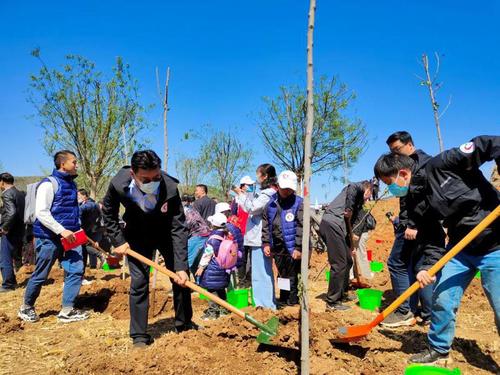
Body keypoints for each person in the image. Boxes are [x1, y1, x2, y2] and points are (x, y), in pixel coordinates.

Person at [374, 135, 499, 365]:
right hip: (460, 248)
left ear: (402, 174)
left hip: (495, 244)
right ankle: (439, 349)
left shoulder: (444, 163)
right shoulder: (416, 199)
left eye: (388, 182)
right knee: (442, 297)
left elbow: (488, 144)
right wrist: (426, 267)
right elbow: (431, 236)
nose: (389, 189)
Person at [102, 150, 194, 347]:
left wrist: (180, 265)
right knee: (139, 281)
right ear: (133, 174)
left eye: (156, 177)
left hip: (167, 233)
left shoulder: (169, 187)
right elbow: (108, 214)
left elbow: (178, 226)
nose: (152, 181)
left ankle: (184, 324)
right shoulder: (118, 184)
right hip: (137, 236)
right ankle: (139, 335)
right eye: (146, 179)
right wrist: (118, 240)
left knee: (181, 280)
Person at [19, 150, 89, 323]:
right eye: (74, 162)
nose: (76, 165)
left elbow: (71, 212)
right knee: (41, 274)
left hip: (71, 238)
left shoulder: (72, 185)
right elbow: (41, 213)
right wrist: (61, 230)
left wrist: (77, 230)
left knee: (76, 269)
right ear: (62, 164)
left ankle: (67, 309)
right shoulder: (49, 184)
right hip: (49, 237)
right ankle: (26, 307)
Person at [383, 131, 434, 327]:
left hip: (417, 226)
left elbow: (421, 199)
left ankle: (406, 310)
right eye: (392, 151)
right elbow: (405, 202)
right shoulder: (405, 166)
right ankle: (423, 313)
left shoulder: (422, 164)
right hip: (414, 224)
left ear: (410, 145)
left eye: (397, 149)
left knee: (397, 263)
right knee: (418, 267)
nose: (395, 155)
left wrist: (411, 225)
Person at [319, 180, 372, 311]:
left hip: (338, 228)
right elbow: (353, 186)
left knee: (348, 261)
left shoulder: (356, 204)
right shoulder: (356, 189)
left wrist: (350, 247)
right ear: (367, 190)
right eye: (369, 195)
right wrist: (348, 208)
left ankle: (341, 293)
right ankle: (332, 302)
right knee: (339, 263)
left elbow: (350, 228)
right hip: (331, 224)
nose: (368, 199)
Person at [233, 164, 278, 309]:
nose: (257, 179)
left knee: (262, 273)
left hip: (260, 238)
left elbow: (252, 208)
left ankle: (265, 304)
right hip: (256, 238)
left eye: (258, 175)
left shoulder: (268, 194)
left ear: (265, 176)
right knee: (259, 273)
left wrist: (240, 195)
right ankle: (262, 302)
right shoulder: (266, 193)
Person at [262, 171, 303, 307]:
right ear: (278, 185)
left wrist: (298, 247)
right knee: (281, 273)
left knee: (292, 274)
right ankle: (284, 298)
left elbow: (301, 227)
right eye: (284, 188)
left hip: (292, 246)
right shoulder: (271, 203)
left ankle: (292, 301)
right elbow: (266, 224)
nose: (286, 191)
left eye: (289, 189)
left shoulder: (299, 203)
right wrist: (266, 243)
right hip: (277, 245)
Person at [195, 212, 234, 320]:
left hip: (212, 268)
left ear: (213, 225)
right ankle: (224, 310)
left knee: (212, 291)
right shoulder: (226, 234)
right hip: (222, 267)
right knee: (221, 289)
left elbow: (208, 253)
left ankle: (213, 312)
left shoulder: (213, 238)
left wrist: (201, 267)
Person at [0, 173, 26, 292]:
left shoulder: (7, 194)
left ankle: (8, 285)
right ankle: (13, 282)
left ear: (2, 182)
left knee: (5, 257)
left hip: (10, 231)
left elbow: (11, 213)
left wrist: (5, 228)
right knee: (11, 256)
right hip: (20, 230)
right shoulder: (19, 193)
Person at [78, 189, 105, 278]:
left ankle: (100, 255)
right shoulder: (84, 204)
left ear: (85, 196)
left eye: (79, 196)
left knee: (84, 247)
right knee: (84, 249)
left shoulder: (90, 204)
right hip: (87, 230)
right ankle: (82, 274)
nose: (77, 198)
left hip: (89, 230)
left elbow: (83, 209)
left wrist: (77, 214)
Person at [182, 194, 211, 274]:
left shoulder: (187, 211)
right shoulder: (191, 209)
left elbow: (186, 226)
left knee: (186, 262)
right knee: (195, 263)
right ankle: (198, 282)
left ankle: (185, 283)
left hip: (198, 235)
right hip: (203, 234)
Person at [349, 207, 376, 280]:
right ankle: (351, 274)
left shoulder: (360, 205)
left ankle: (366, 275)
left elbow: (361, 219)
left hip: (359, 232)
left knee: (360, 253)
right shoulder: (356, 204)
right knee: (352, 253)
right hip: (355, 232)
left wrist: (356, 233)